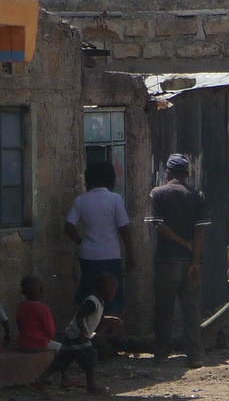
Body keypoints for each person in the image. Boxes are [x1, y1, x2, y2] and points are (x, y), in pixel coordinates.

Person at [146, 154, 210, 368]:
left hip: (166, 260)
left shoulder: (158, 194)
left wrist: (182, 242)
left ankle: (162, 354)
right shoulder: (196, 196)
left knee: (164, 308)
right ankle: (195, 355)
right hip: (189, 261)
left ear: (168, 172)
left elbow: (159, 226)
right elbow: (200, 232)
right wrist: (195, 261)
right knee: (191, 309)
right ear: (186, 174)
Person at [30, 272, 118, 395]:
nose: (114, 293)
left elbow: (95, 317)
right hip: (78, 336)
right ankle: (91, 387)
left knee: (61, 360)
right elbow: (80, 316)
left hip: (72, 334)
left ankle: (40, 381)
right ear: (104, 289)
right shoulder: (92, 302)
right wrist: (82, 331)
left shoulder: (99, 302)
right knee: (90, 359)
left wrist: (109, 319)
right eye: (113, 289)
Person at [65, 161, 133, 317]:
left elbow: (68, 227)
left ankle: (89, 332)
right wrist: (130, 254)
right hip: (110, 256)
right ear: (110, 178)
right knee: (112, 298)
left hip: (87, 256)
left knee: (90, 294)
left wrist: (81, 241)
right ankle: (111, 333)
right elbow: (124, 229)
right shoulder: (115, 199)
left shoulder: (81, 200)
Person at [16, 275, 78, 388]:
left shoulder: (21, 306)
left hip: (23, 343)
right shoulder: (43, 309)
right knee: (63, 349)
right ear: (41, 290)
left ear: (23, 292)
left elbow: (19, 324)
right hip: (38, 343)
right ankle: (65, 377)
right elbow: (50, 331)